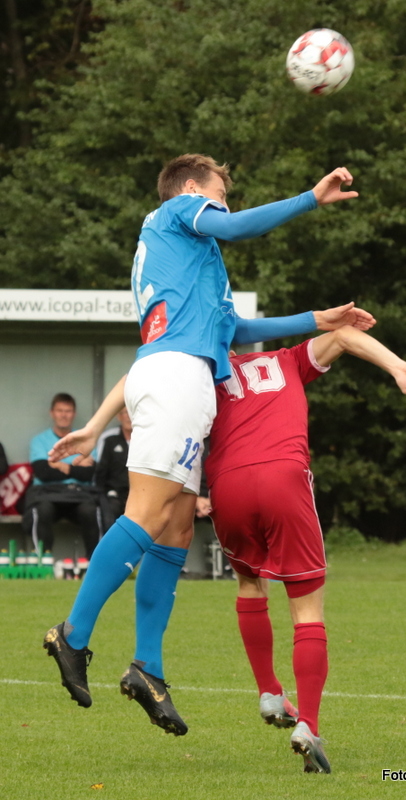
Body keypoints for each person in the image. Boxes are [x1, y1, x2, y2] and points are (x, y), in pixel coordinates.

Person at [43, 150, 372, 735]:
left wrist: (314, 320)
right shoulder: (179, 212)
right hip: (176, 378)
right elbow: (237, 225)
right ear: (193, 188)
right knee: (147, 516)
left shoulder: (194, 260)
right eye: (221, 192)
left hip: (181, 380)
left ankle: (148, 668)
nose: (225, 203)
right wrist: (309, 199)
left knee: (174, 529)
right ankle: (73, 634)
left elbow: (235, 330)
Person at [201, 328, 406, 774]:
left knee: (249, 583)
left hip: (227, 484)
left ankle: (269, 691)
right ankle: (308, 724)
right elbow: (343, 335)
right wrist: (399, 368)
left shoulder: (205, 377)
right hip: (282, 477)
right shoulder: (286, 359)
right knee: (306, 609)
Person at [22, 393, 100, 558]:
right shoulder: (39, 440)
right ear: (52, 413)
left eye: (68, 411)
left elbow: (88, 474)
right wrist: (74, 467)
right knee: (42, 510)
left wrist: (58, 464)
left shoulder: (84, 439)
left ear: (74, 414)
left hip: (79, 495)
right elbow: (43, 473)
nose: (64, 415)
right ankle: (44, 562)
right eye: (60, 411)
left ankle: (93, 563)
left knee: (91, 510)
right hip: (48, 494)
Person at [94, 408, 131, 530]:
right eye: (125, 413)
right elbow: (100, 470)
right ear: (119, 416)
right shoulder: (108, 438)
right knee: (109, 511)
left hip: (139, 494)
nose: (129, 417)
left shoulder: (147, 440)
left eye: (132, 412)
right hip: (113, 494)